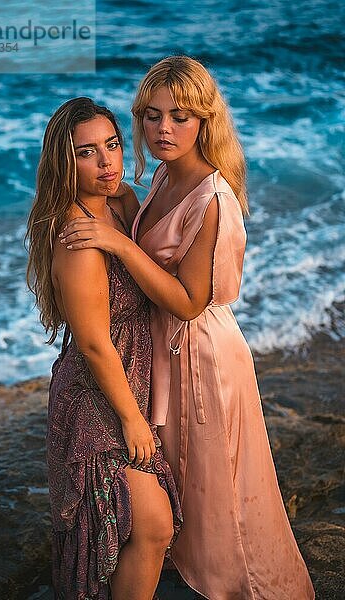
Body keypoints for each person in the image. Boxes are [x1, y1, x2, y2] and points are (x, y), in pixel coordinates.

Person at [59, 57, 315, 599]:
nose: (162, 130)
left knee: (223, 492)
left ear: (205, 120)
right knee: (187, 488)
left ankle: (244, 588)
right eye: (151, 117)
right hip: (161, 355)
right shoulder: (161, 176)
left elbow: (190, 300)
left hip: (202, 352)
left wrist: (122, 244)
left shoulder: (212, 196)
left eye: (179, 116)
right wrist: (118, 215)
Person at [26, 97, 182, 600]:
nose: (108, 163)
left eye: (112, 145)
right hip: (98, 395)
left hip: (131, 381)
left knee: (142, 528)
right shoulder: (75, 235)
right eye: (87, 152)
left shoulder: (120, 205)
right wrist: (133, 420)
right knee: (151, 523)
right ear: (63, 163)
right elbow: (92, 344)